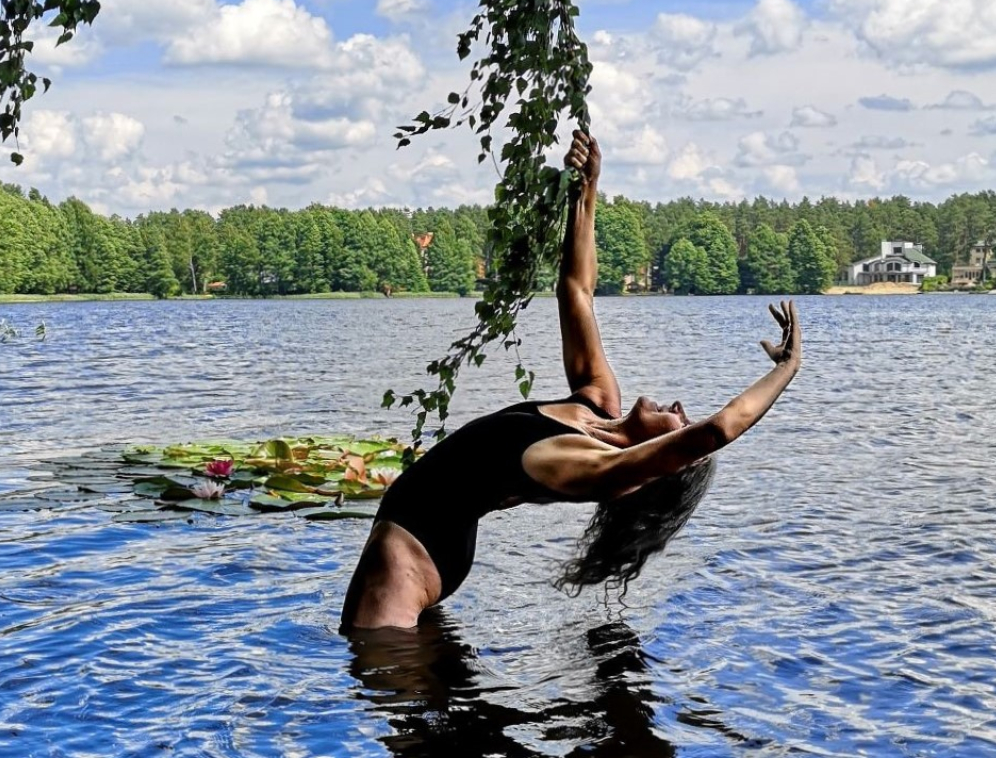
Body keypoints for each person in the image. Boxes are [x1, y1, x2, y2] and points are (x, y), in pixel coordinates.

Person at [340, 130, 803, 632]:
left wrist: (786, 368)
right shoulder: (598, 401)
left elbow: (718, 431)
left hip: (407, 560)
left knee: (379, 685)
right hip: (431, 544)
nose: (678, 404)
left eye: (680, 419)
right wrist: (586, 191)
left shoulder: (591, 466)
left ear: (664, 458)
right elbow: (575, 290)